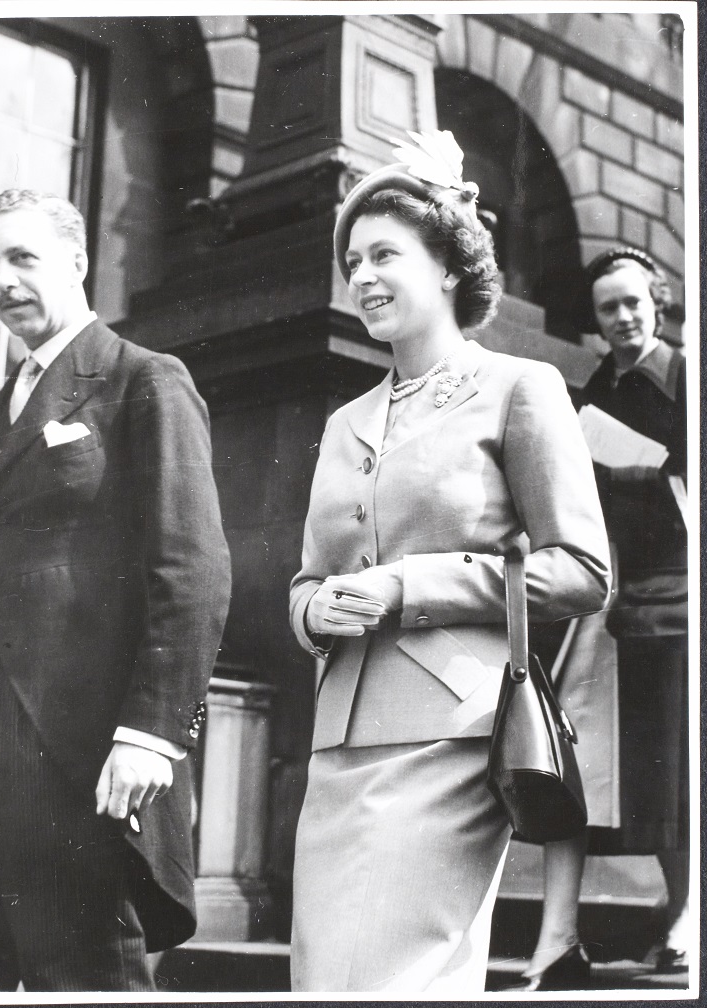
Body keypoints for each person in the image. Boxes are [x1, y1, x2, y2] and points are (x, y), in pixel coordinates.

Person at [287, 131, 612, 994]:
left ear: (449, 267)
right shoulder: (346, 419)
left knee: (398, 979)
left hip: (454, 735)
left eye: (385, 253)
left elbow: (582, 569)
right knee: (327, 982)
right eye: (352, 258)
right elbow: (307, 580)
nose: (361, 275)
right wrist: (315, 611)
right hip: (339, 745)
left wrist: (410, 587)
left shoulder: (520, 387)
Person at [0, 189, 232, 991]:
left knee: (82, 977)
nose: (3, 280)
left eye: (24, 257)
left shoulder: (143, 382)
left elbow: (191, 571)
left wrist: (152, 733)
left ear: (79, 262)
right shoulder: (2, 408)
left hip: (78, 756)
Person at [511, 247, 689, 989]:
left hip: (683, 591)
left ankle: (688, 916)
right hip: (608, 597)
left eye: (633, 304)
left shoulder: (684, 377)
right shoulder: (591, 391)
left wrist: (650, 467)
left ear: (658, 300)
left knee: (676, 760)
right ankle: (561, 938)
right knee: (602, 760)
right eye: (608, 309)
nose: (621, 319)